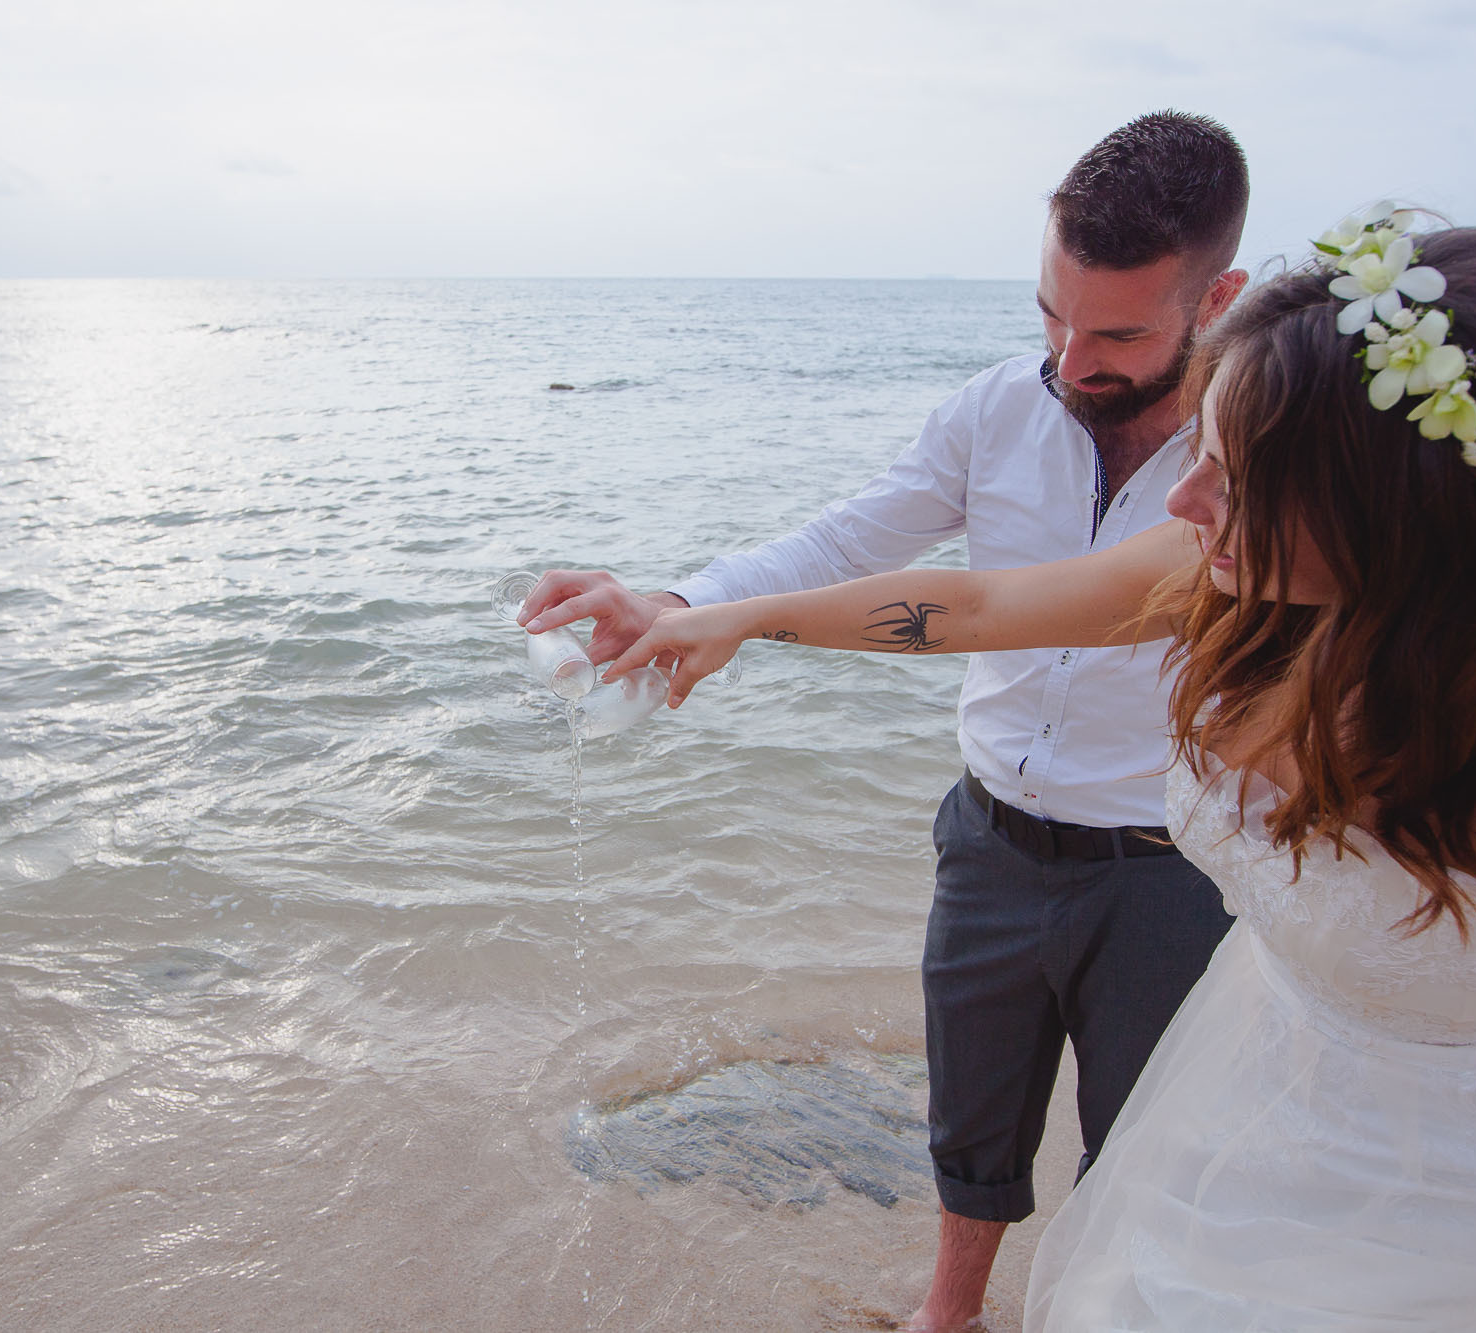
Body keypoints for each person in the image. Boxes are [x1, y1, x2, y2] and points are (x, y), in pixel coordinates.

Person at [604, 219, 1476, 1328]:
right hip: (1238, 1105)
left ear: (1396, 501)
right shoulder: (1247, 577)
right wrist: (730, 617)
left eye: (1234, 475)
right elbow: (986, 605)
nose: (1185, 503)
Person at [519, 110, 1251, 1330]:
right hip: (992, 836)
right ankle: (948, 1315)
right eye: (1049, 316)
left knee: (1141, 1149)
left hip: (1176, 863)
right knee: (968, 1124)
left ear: (1215, 297)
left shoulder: (1259, 455)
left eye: (1116, 332)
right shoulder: (992, 408)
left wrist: (745, 625)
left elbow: (966, 607)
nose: (1070, 359)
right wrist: (686, 598)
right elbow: (855, 534)